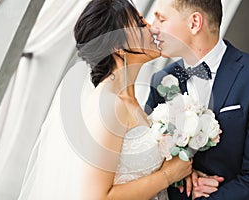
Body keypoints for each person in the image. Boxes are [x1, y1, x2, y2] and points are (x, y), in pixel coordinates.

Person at [18, 0, 193, 200]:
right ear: (118, 46)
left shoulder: (128, 100)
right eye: (140, 24)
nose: (151, 27)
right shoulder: (110, 105)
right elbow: (97, 197)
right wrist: (168, 175)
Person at [145, 0, 249, 199]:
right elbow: (146, 161)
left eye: (161, 19)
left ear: (195, 23)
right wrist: (179, 175)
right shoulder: (161, 81)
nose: (153, 27)